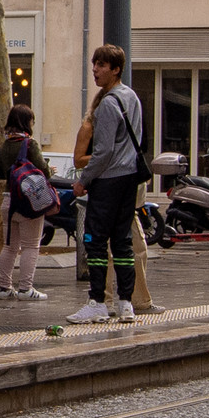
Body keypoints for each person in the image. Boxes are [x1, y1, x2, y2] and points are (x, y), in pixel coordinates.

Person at [70, 45, 146, 324]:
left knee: (96, 241)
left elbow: (103, 152)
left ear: (115, 69)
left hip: (108, 182)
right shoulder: (132, 98)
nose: (95, 70)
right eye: (94, 64)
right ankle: (125, 303)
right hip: (130, 180)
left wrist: (83, 180)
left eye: (101, 65)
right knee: (123, 242)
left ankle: (97, 302)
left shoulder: (108, 104)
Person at [0, 105, 50, 301]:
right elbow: (43, 170)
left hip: (8, 201)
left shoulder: (4, 146)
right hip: (28, 202)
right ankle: (26, 288)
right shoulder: (29, 144)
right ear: (27, 122)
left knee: (9, 246)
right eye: (32, 120)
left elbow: (0, 173)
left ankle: (4, 287)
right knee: (31, 246)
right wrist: (50, 170)